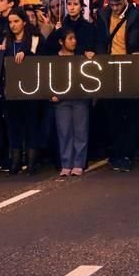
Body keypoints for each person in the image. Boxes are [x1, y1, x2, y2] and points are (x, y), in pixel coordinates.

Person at [96, 0, 139, 172]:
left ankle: (128, 154)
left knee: (131, 114)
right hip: (110, 69)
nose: (115, 8)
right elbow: (99, 40)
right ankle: (116, 152)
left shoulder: (138, 16)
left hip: (130, 69)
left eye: (118, 4)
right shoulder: (102, 14)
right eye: (112, 5)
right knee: (113, 115)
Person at [3, 7, 46, 175]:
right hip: (12, 89)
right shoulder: (7, 41)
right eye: (10, 22)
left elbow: (42, 60)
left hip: (30, 88)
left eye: (16, 21)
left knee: (31, 125)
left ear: (24, 22)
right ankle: (15, 161)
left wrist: (26, 53)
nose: (13, 25)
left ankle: (31, 161)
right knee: (14, 125)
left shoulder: (35, 39)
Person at [52, 27, 90, 176]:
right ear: (61, 42)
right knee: (64, 132)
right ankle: (66, 163)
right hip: (61, 100)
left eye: (74, 38)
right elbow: (49, 78)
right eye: (70, 39)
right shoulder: (54, 58)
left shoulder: (81, 56)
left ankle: (79, 163)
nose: (74, 41)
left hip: (79, 98)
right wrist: (51, 94)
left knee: (81, 132)